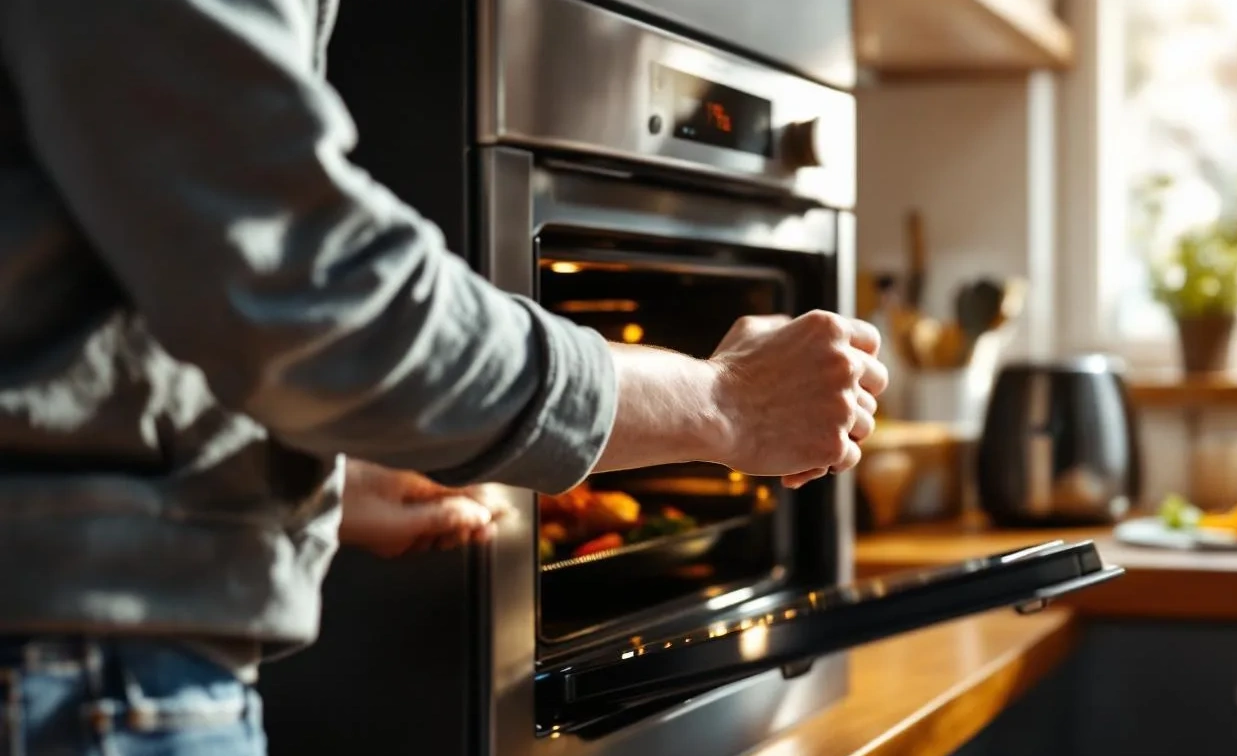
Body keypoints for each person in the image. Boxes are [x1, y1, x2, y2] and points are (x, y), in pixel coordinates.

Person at [0, 0, 888, 753]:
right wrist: (722, 401)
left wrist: (308, 477)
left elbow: (118, 284)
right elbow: (299, 277)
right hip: (81, 668)